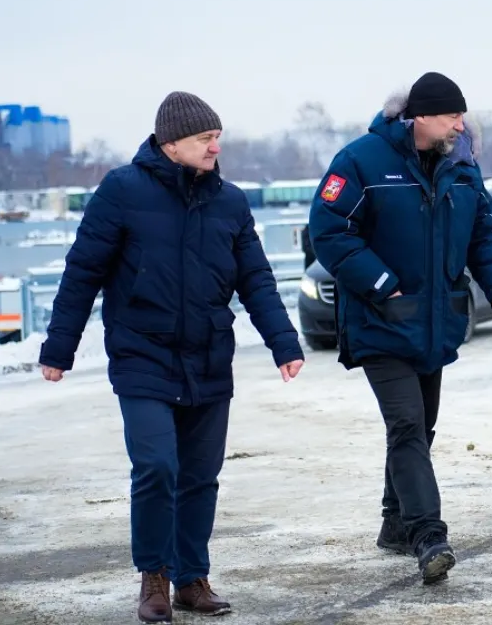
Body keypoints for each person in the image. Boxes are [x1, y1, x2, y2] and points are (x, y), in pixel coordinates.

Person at [37, 91, 305, 623]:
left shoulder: (229, 201)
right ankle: (154, 578)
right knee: (157, 466)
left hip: (208, 356)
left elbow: (255, 278)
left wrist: (284, 342)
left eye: (217, 137)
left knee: (201, 475)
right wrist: (58, 348)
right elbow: (82, 271)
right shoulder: (121, 191)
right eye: (206, 138)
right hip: (143, 356)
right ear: (171, 143)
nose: (215, 147)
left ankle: (191, 579)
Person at [308, 71, 492, 584]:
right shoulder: (361, 161)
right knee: (406, 424)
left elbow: (485, 237)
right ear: (420, 116)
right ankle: (428, 534)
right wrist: (383, 283)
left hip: (434, 325)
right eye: (453, 115)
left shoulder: (461, 166)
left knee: (419, 427)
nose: (461, 123)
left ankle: (392, 523)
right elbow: (330, 232)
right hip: (380, 321)